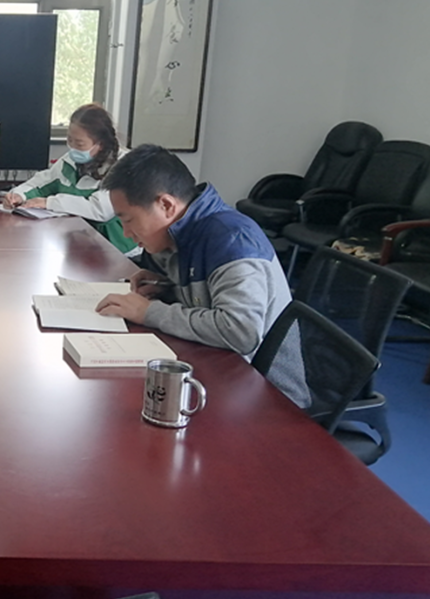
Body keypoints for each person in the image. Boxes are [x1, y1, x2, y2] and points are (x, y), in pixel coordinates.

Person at [94, 144, 308, 404]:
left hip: (270, 399)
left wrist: (149, 312)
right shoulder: (186, 232)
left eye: (128, 220)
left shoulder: (231, 240)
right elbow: (211, 301)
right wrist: (169, 290)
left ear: (166, 205)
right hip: (225, 375)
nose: (126, 233)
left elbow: (240, 331)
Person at [2, 103, 136, 253]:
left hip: (118, 250)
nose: (73, 148)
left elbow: (100, 210)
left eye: (79, 143)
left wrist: (49, 202)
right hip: (80, 246)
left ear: (101, 144)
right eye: (70, 140)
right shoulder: (70, 160)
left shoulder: (124, 165)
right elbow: (43, 182)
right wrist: (18, 195)